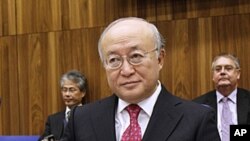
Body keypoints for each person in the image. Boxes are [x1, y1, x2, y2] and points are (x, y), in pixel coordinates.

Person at [62, 17, 220, 141]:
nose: (126, 70)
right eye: (114, 60)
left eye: (136, 56)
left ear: (160, 59)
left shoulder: (197, 119)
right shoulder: (81, 119)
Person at [193, 53, 250, 141]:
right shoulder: (198, 105)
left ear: (238, 74)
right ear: (213, 76)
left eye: (228, 68)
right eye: (218, 69)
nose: (222, 72)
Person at [39, 70, 87, 141]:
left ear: (83, 93)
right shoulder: (53, 120)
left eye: (71, 90)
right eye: (64, 90)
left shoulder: (89, 116)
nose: (67, 94)